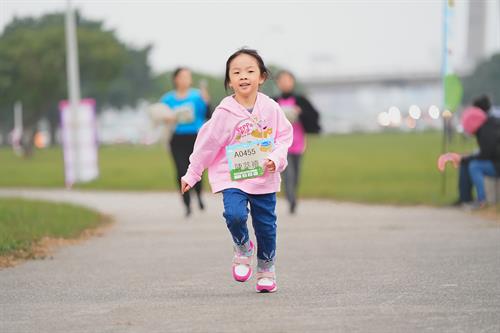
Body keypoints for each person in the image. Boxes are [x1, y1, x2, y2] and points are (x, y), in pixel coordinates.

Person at [180, 48, 293, 293]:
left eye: (250, 71)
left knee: (265, 226)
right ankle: (242, 247)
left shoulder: (271, 108)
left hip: (264, 177)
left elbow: (284, 136)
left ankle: (266, 269)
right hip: (233, 177)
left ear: (261, 77)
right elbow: (207, 144)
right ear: (229, 81)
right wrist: (193, 173)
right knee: (235, 215)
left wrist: (276, 158)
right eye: (237, 72)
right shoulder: (224, 113)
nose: (243, 76)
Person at [160, 67, 210, 217]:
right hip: (176, 138)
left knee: (196, 169)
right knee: (181, 171)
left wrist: (206, 101)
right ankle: (187, 204)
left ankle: (199, 194)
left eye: (188, 77)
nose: (185, 80)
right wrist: (167, 118)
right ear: (176, 79)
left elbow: (208, 114)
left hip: (195, 138)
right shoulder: (167, 99)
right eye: (182, 77)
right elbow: (160, 116)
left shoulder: (197, 96)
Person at [273, 70, 321, 214]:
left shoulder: (301, 100)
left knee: (296, 175)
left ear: (292, 82)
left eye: (288, 80)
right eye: (282, 80)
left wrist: (301, 112)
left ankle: (292, 195)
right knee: (287, 174)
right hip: (281, 144)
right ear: (278, 83)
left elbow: (314, 115)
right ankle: (291, 198)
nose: (285, 83)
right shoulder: (274, 101)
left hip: (298, 142)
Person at [453, 95, 500, 208]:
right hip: (494, 160)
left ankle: (481, 201)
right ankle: (465, 198)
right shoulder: (489, 123)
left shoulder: (488, 127)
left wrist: (468, 158)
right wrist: (468, 157)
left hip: (497, 163)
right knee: (466, 163)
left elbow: (486, 153)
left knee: (474, 166)